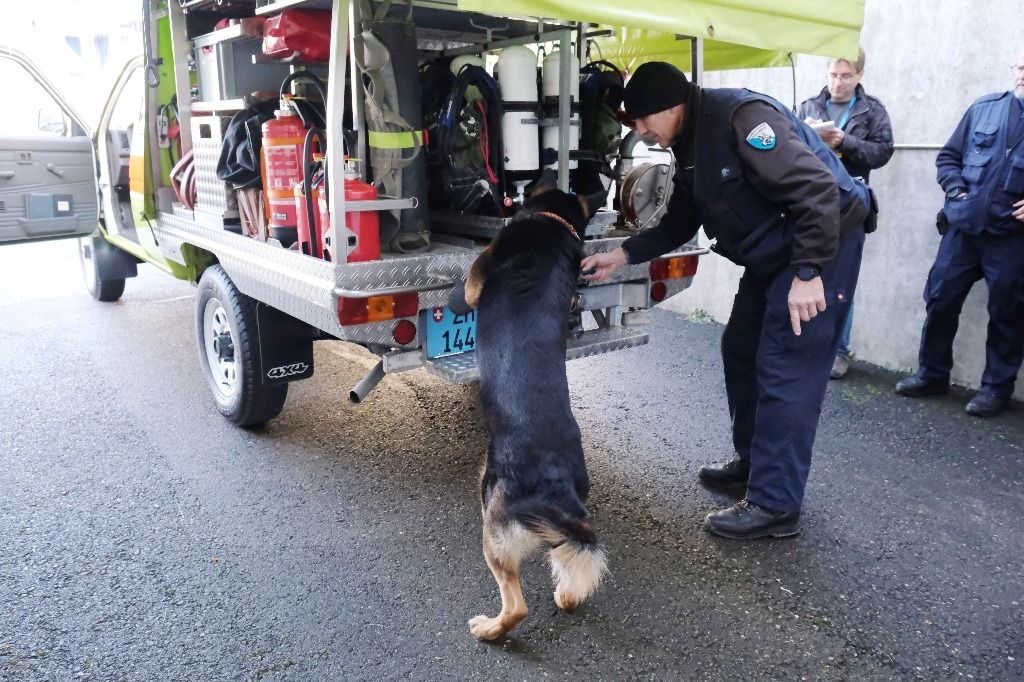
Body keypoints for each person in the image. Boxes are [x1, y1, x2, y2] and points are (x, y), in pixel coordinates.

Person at [582, 62, 874, 540]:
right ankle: (755, 465)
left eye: (642, 120)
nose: (640, 132)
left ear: (670, 106)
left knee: (787, 366)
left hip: (820, 247)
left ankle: (775, 504)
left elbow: (817, 190)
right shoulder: (688, 140)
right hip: (774, 254)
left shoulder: (742, 118)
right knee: (741, 347)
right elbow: (681, 219)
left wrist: (808, 273)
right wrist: (621, 255)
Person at [894, 49, 1024, 418]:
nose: (1023, 74)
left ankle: (996, 389)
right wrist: (955, 191)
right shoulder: (984, 108)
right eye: (1020, 66)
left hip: (1012, 237)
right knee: (940, 298)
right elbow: (948, 157)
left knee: (1008, 313)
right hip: (963, 229)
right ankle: (932, 374)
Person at [798, 47, 894, 379]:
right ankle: (807, 346)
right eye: (833, 75)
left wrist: (845, 141)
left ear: (859, 75)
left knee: (842, 282)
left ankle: (838, 352)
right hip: (810, 203)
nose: (838, 83)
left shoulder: (872, 110)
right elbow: (788, 148)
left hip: (851, 206)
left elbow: (883, 152)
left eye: (845, 76)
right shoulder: (808, 106)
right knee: (806, 273)